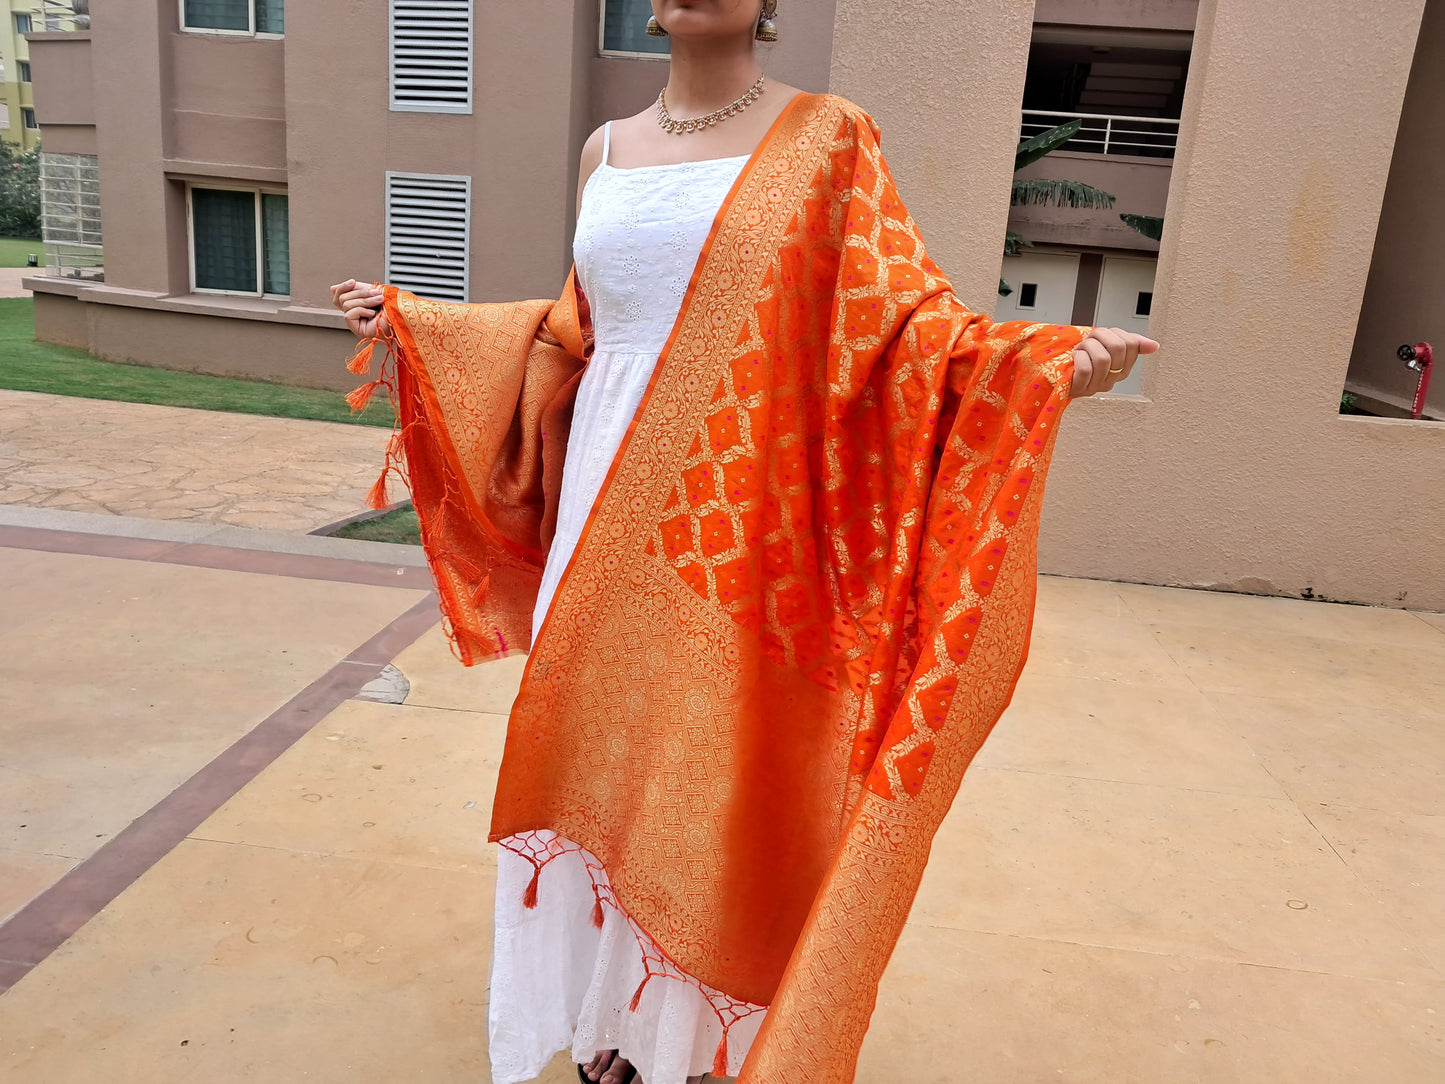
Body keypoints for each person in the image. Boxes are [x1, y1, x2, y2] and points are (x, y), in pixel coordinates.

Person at [331, 4, 1158, 1083]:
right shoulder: (604, 147)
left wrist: (1038, 361)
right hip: (604, 501)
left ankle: (669, 1038)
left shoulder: (827, 136)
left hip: (737, 516)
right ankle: (610, 1019)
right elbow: (582, 333)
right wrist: (420, 323)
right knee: (609, 751)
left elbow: (903, 330)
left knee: (694, 755)